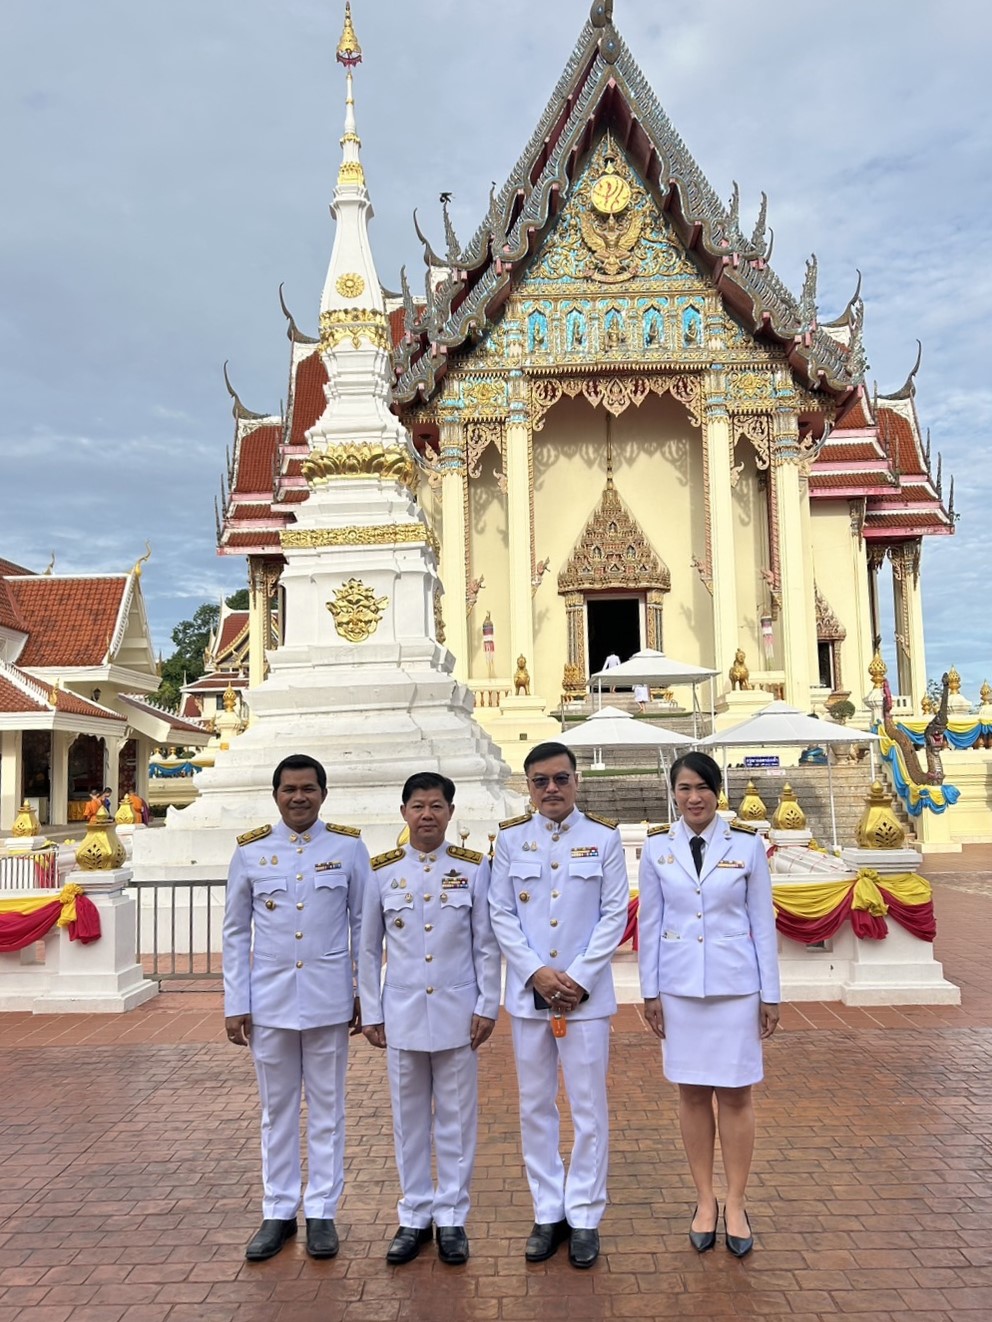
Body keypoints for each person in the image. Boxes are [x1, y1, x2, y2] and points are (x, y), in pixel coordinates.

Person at [223, 753, 368, 1263]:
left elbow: (363, 931)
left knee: (328, 1111)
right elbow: (237, 932)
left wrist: (362, 997)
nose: (299, 797)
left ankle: (323, 1211)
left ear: (323, 794)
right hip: (269, 1001)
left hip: (329, 999)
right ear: (276, 795)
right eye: (289, 789)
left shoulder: (348, 848)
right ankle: (279, 1210)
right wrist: (235, 1001)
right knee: (276, 1112)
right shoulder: (250, 852)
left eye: (308, 788)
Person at [488, 741, 628, 1268]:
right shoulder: (509, 840)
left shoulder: (604, 838)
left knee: (588, 1109)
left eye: (560, 779)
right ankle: (548, 1210)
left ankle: (586, 1214)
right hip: (530, 996)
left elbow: (614, 914)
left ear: (576, 782)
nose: (551, 789)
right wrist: (537, 974)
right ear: (527, 786)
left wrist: (577, 978)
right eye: (540, 780)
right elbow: (501, 913)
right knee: (535, 1106)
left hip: (585, 999)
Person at [637, 752, 780, 1258]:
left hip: (736, 988)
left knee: (737, 1096)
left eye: (702, 787)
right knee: (693, 1095)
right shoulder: (657, 849)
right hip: (679, 989)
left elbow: (762, 922)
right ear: (673, 793)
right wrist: (649, 992)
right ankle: (704, 1199)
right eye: (683, 788)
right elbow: (649, 924)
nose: (693, 797)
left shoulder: (747, 845)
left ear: (717, 791)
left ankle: (736, 1201)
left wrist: (771, 994)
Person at [358, 773, 500, 1267]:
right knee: (409, 1120)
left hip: (458, 1012)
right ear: (403, 813)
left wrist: (487, 1004)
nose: (427, 815)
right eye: (418, 806)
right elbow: (368, 949)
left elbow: (486, 944)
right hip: (401, 1012)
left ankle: (453, 1218)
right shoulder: (382, 872)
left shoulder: (474, 869)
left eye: (437, 806)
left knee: (457, 1120)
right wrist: (371, 1010)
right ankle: (415, 1214)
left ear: (450, 813)